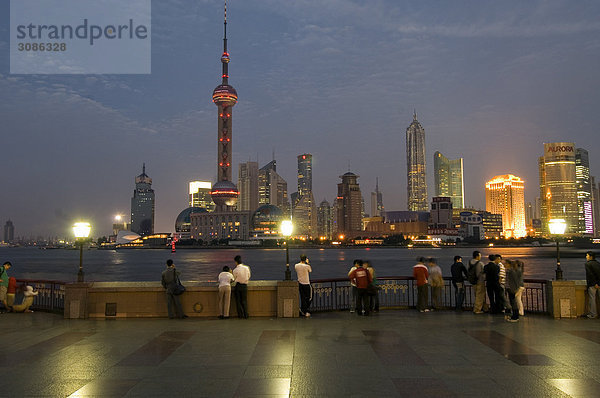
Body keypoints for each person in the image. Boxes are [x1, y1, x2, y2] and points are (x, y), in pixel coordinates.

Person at [584, 251, 600, 319]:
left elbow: (590, 275)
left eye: (587, 255)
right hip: (599, 283)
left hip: (592, 284)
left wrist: (595, 283)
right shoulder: (598, 263)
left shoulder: (588, 264)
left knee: (592, 299)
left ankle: (593, 314)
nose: (586, 257)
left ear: (590, 256)